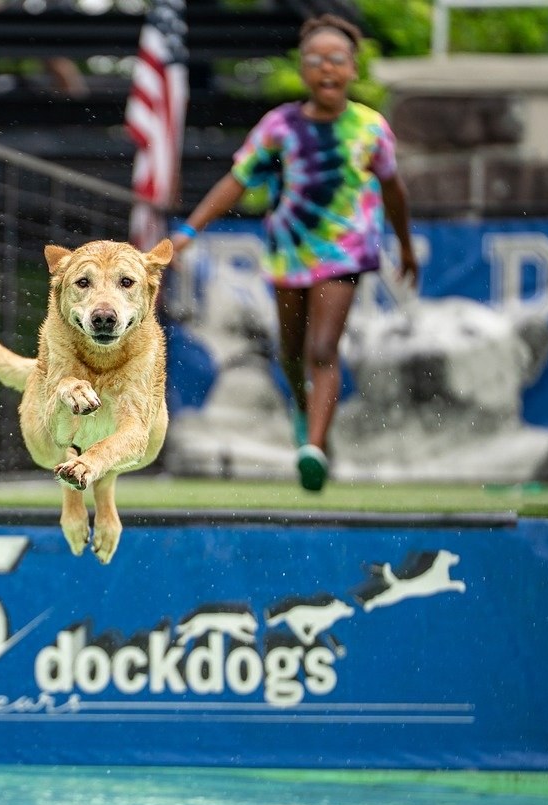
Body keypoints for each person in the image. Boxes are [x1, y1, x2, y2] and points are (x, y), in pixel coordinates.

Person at [169, 13, 417, 492]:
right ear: (303, 69)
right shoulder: (279, 126)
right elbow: (237, 181)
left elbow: (394, 191)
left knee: (322, 349)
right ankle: (307, 416)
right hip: (289, 253)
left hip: (344, 252)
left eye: (337, 59)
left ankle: (314, 449)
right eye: (316, 60)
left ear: (353, 68)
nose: (327, 68)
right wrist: (189, 231)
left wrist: (405, 246)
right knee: (290, 353)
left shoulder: (369, 129)